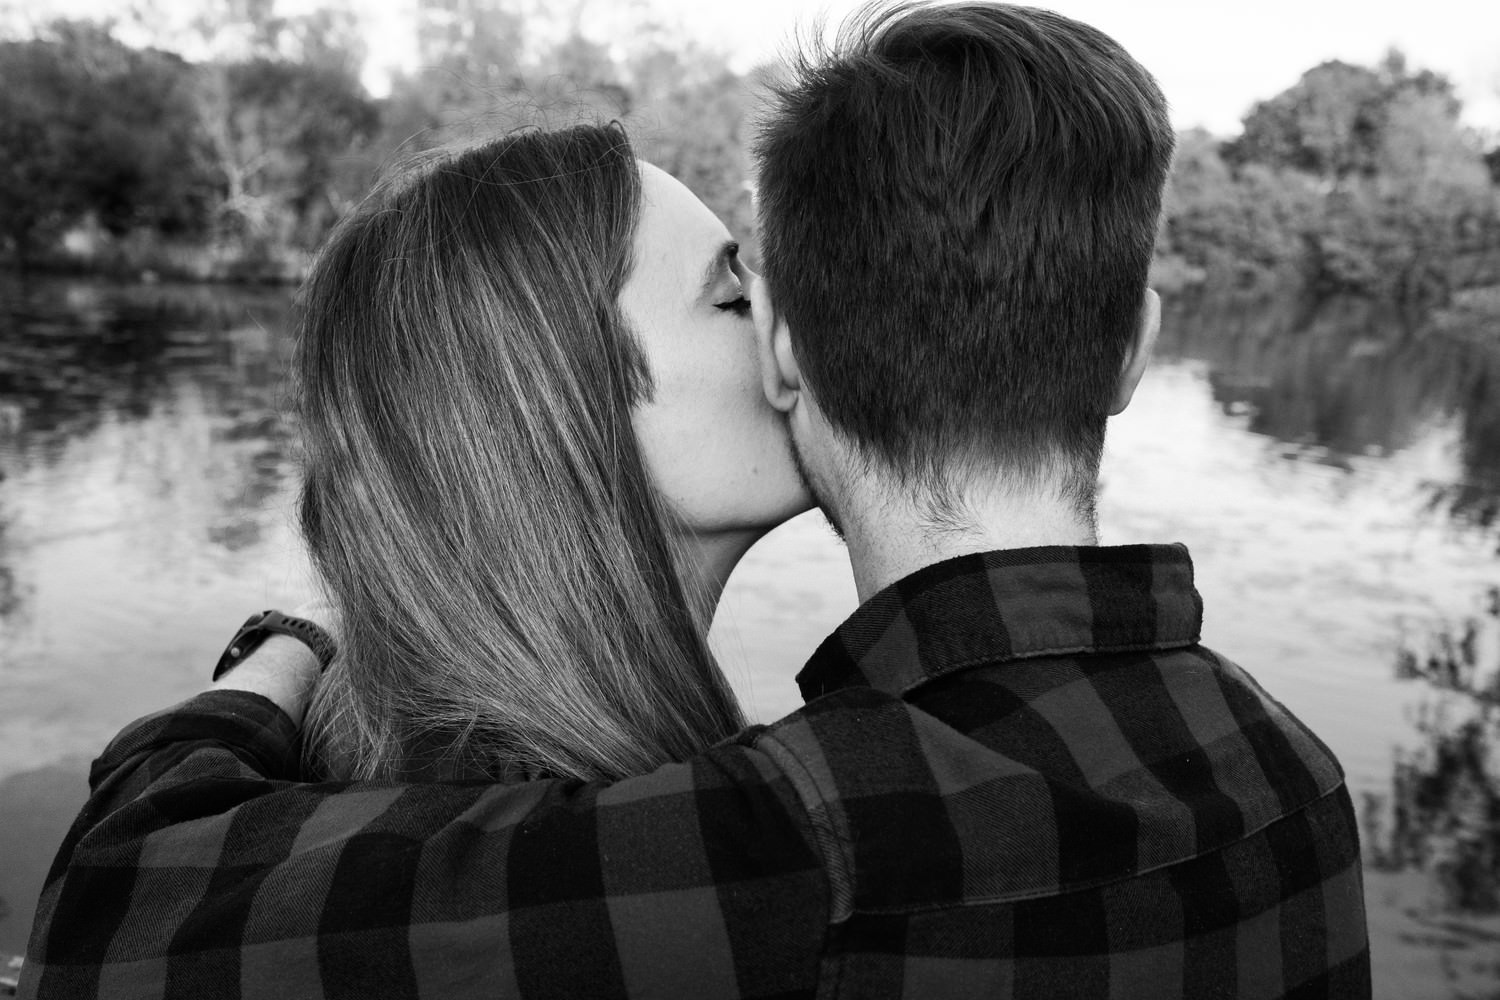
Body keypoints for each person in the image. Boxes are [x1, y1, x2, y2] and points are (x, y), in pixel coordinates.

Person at [20, 4, 1371, 999]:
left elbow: (116, 904)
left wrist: (277, 660)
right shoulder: (1294, 769)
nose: (785, 320)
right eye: (732, 290)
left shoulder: (707, 830)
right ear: (551, 400)